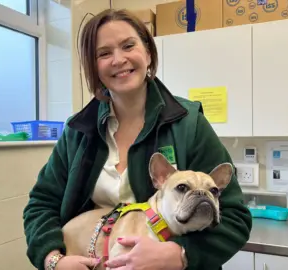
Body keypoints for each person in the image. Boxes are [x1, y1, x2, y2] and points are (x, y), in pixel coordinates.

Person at [23, 8, 252, 270]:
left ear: (147, 52)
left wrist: (180, 255)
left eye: (128, 45)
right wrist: (54, 260)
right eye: (104, 53)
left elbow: (235, 217)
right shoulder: (78, 131)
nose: (118, 59)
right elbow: (41, 205)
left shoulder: (188, 122)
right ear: (93, 65)